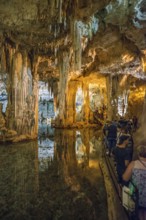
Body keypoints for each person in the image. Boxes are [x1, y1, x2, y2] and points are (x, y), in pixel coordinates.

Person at [123, 145, 146, 220]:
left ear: (138, 154)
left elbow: (125, 178)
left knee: (139, 212)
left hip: (137, 195)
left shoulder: (134, 164)